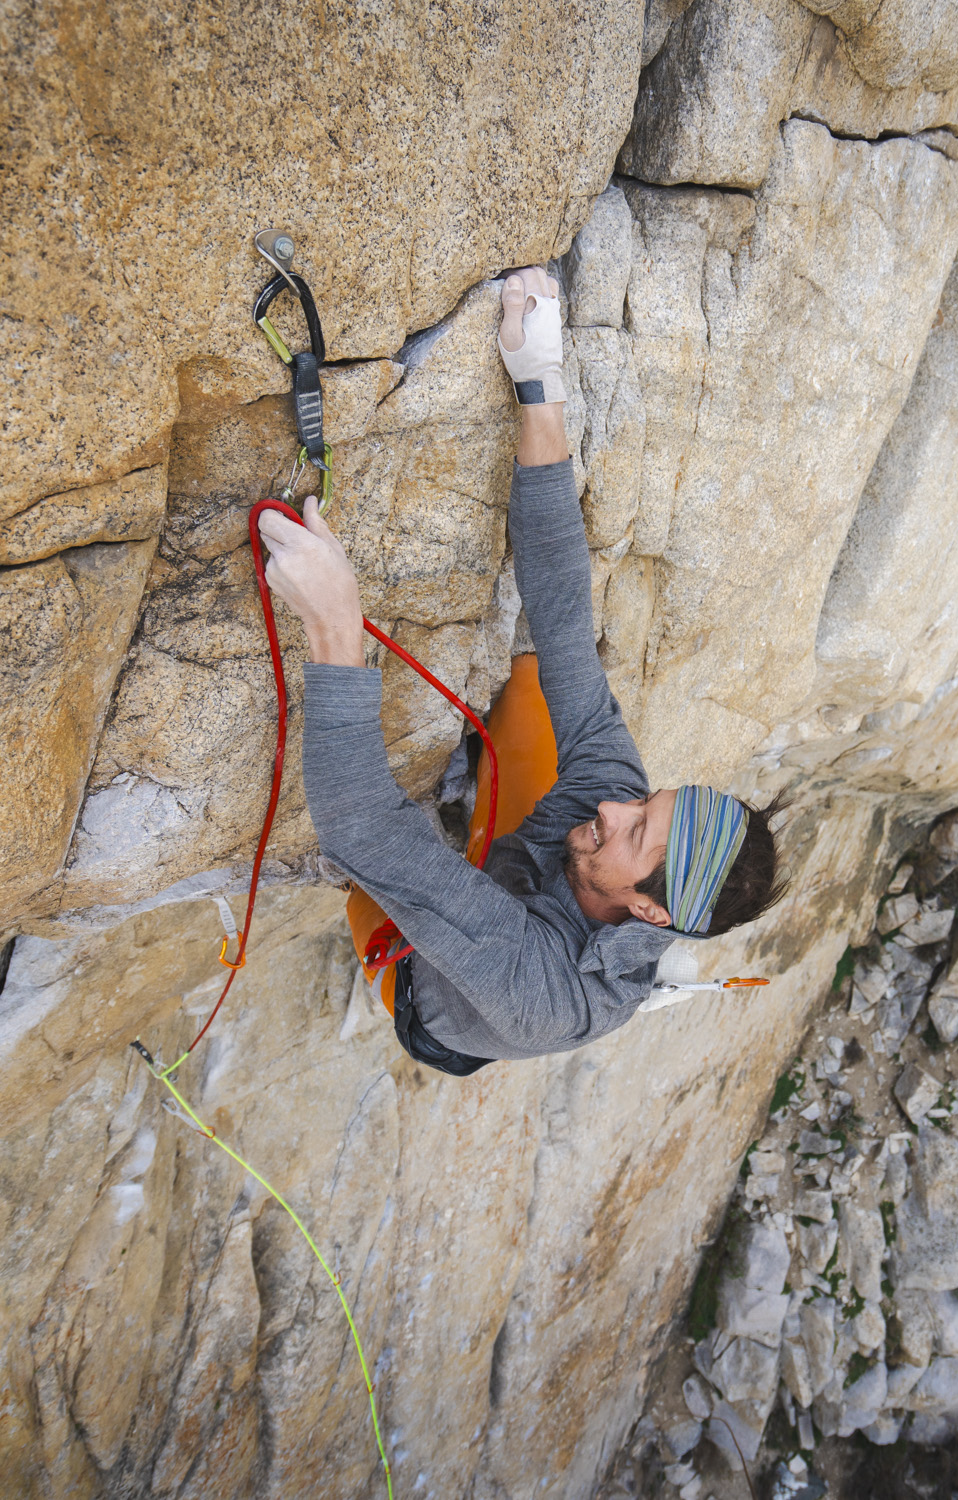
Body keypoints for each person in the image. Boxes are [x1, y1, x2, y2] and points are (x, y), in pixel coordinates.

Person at [257, 267, 785, 1076]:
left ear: (645, 910)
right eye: (645, 801)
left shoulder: (544, 993)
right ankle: (473, 828)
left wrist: (333, 617)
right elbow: (564, 620)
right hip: (520, 872)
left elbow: (359, 826)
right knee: (544, 672)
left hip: (424, 985)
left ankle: (447, 851)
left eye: (636, 829)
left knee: (386, 858)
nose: (613, 802)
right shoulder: (615, 818)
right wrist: (540, 386)